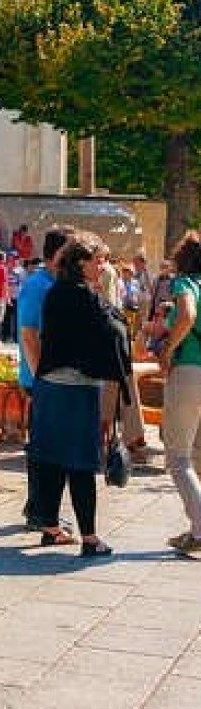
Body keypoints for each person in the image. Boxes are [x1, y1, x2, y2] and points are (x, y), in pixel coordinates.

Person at [29, 232, 127, 557]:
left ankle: (51, 528)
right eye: (99, 259)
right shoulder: (86, 296)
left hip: (49, 386)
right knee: (81, 464)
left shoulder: (56, 292)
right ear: (81, 262)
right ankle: (90, 537)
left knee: (51, 459)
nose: (104, 266)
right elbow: (113, 332)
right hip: (76, 390)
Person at [17, 226, 69, 531]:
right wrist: (41, 380)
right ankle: (40, 509)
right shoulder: (38, 286)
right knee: (44, 445)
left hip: (48, 377)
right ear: (57, 255)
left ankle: (37, 505)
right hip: (40, 379)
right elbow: (28, 334)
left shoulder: (52, 284)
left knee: (46, 443)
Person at [156, 230, 201, 555]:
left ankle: (200, 528)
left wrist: (169, 348)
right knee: (197, 453)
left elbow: (187, 315)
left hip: (189, 372)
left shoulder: (186, 284)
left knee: (178, 456)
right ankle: (195, 528)